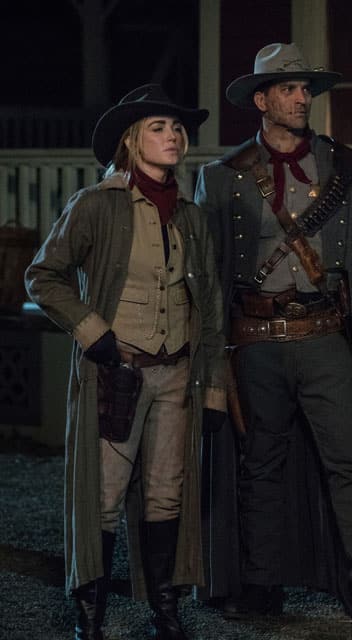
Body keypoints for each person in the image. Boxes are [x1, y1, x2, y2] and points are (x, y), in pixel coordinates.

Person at [195, 42, 352, 631]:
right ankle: (262, 584)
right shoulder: (222, 178)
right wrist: (213, 353)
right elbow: (209, 270)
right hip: (255, 340)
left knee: (350, 464)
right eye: (288, 89)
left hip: (324, 336)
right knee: (260, 463)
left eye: (306, 89)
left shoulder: (347, 170)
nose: (301, 98)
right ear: (261, 100)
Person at [25, 84, 227, 640]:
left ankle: (166, 611)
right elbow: (44, 276)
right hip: (117, 374)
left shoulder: (190, 215)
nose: (173, 136)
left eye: (177, 128)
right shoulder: (97, 205)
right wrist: (94, 333)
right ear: (132, 141)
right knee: (105, 496)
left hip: (178, 374)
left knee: (167, 492)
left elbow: (210, 307)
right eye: (158, 127)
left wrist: (214, 387)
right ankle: (89, 616)